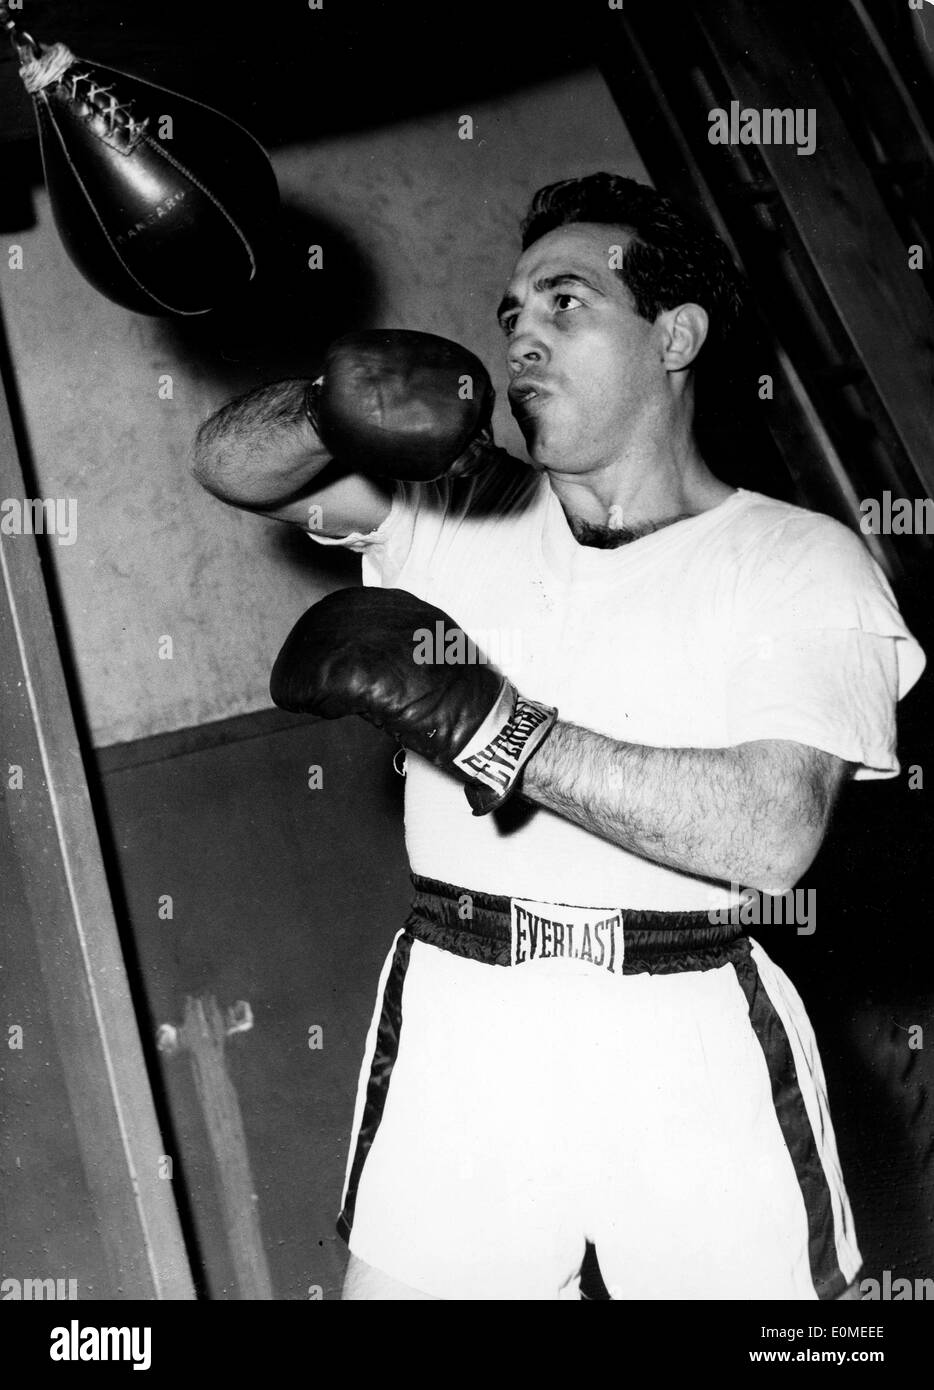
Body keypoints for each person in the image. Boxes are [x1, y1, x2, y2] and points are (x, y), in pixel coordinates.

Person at [191, 173, 925, 1301]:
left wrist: (501, 731)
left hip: (683, 1025)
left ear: (674, 335)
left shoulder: (799, 558)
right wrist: (324, 405)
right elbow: (231, 467)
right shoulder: (457, 504)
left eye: (565, 303)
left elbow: (773, 835)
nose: (521, 338)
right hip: (461, 1008)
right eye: (510, 315)